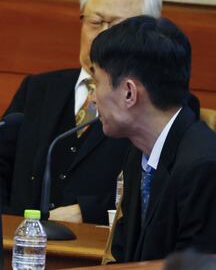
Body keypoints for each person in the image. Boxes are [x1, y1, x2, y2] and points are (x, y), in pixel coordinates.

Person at [0, 0, 167, 225]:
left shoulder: (162, 103)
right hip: (21, 244)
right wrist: (3, 222)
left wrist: (89, 211)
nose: (102, 36)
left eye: (117, 26)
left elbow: (159, 187)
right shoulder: (38, 88)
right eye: (95, 22)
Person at [91, 16, 216, 261]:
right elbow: (124, 255)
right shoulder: (139, 150)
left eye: (96, 83)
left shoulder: (203, 168)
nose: (93, 99)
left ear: (129, 92)